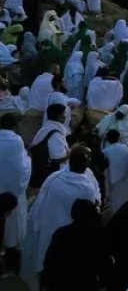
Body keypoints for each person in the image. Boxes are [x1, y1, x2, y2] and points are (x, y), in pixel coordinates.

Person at [21, 146, 101, 290]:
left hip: (51, 231)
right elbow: (91, 211)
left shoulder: (54, 178)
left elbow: (40, 204)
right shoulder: (86, 187)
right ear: (85, 165)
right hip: (73, 240)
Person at [42, 198, 111, 290]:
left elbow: (50, 262)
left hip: (61, 283)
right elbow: (103, 263)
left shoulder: (61, 233)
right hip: (86, 283)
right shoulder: (96, 235)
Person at [0, 113, 30, 269]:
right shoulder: (16, 141)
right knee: (13, 234)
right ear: (14, 126)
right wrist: (19, 188)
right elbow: (23, 167)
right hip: (13, 195)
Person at [103, 128, 128, 214]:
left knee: (116, 207)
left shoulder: (106, 151)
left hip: (114, 181)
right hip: (125, 179)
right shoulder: (124, 147)